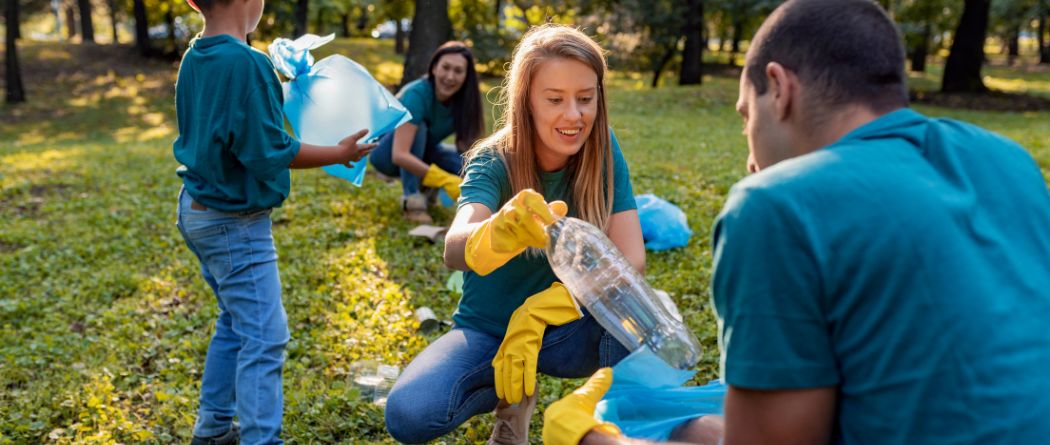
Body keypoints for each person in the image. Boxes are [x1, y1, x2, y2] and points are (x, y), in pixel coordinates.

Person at [542, 0, 1050, 444]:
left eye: (746, 117)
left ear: (778, 88)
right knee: (685, 423)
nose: (749, 160)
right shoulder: (1008, 160)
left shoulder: (775, 205)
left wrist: (587, 438)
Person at [383, 25, 646, 445]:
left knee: (638, 318)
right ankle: (512, 399)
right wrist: (495, 232)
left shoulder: (602, 148)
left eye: (586, 98)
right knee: (410, 414)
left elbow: (632, 258)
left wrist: (553, 304)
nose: (574, 116)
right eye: (555, 99)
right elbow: (454, 247)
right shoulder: (493, 157)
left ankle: (606, 421)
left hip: (566, 326)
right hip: (488, 329)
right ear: (526, 100)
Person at [173, 0, 375, 443]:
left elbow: (230, 123)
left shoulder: (196, 54)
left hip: (197, 209)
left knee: (234, 319)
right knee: (265, 337)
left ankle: (211, 430)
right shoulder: (248, 62)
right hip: (234, 223)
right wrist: (339, 153)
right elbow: (268, 153)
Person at [369, 41, 485, 223]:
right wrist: (444, 179)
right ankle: (413, 199)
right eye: (445, 68)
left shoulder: (464, 102)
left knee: (468, 164)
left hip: (426, 151)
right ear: (434, 68)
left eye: (458, 71)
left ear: (466, 76)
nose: (450, 76)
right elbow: (400, 155)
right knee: (419, 128)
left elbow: (466, 148)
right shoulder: (416, 95)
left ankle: (427, 189)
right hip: (386, 155)